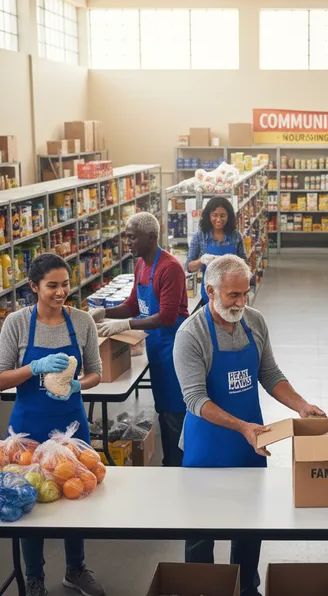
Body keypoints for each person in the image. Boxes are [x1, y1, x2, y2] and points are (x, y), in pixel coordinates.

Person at [174, 254, 325, 596]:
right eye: (233, 296)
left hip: (249, 444)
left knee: (249, 527)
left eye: (245, 293)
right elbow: (195, 400)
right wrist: (242, 426)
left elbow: (269, 373)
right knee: (201, 530)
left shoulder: (254, 322)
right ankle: (201, 588)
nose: (241, 302)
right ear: (210, 290)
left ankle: (246, 588)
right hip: (207, 449)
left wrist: (301, 405)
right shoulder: (191, 334)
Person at [0, 254, 105, 596]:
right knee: (30, 500)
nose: (61, 292)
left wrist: (79, 385)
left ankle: (76, 569)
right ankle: (34, 577)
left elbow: (96, 372)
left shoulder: (82, 322)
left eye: (65, 284)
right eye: (52, 286)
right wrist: (34, 367)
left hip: (72, 428)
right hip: (28, 432)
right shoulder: (16, 323)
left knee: (77, 494)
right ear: (33, 286)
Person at [89, 212, 188, 467]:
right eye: (126, 237)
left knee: (174, 413)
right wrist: (104, 313)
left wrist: (125, 325)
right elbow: (134, 304)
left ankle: (179, 466)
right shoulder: (142, 264)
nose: (128, 243)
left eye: (132, 237)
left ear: (151, 237)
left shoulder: (170, 268)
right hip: (156, 347)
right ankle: (171, 463)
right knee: (163, 410)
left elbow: (166, 317)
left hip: (173, 349)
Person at [186, 196, 247, 306]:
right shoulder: (200, 236)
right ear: (208, 216)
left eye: (222, 216)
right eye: (215, 215)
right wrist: (202, 260)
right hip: (210, 294)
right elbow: (189, 267)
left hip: (233, 294)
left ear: (229, 217)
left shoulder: (235, 236)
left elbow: (245, 265)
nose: (218, 220)